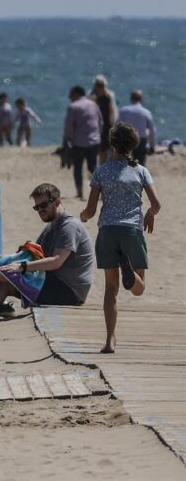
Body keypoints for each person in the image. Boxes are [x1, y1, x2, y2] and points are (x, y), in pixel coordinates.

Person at [0, 183, 95, 324]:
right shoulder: (51, 227)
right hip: (54, 282)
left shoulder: (69, 227)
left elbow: (56, 262)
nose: (41, 210)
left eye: (44, 205)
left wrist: (21, 267)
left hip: (70, 291)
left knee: (8, 281)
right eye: (37, 207)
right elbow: (34, 254)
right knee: (4, 270)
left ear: (57, 202)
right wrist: (8, 261)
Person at [79, 123, 161, 354]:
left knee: (110, 289)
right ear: (133, 145)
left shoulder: (101, 171)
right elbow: (156, 204)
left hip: (107, 232)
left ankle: (109, 341)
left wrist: (83, 216)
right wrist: (149, 214)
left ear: (112, 144)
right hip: (131, 231)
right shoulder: (141, 171)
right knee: (138, 288)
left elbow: (91, 210)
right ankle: (130, 273)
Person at [64, 85, 104, 199]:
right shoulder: (93, 104)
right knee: (93, 166)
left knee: (78, 167)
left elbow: (69, 127)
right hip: (94, 141)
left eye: (71, 94)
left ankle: (80, 192)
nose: (69, 97)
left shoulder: (73, 106)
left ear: (76, 93)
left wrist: (68, 139)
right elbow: (100, 122)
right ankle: (102, 190)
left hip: (79, 142)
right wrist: (98, 135)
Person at [116, 91, 156, 166]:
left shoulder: (123, 110)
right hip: (141, 140)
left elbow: (117, 126)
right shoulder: (146, 112)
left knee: (124, 165)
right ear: (141, 99)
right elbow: (152, 130)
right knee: (140, 165)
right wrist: (152, 146)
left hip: (126, 140)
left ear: (131, 99)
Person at [90, 76, 119, 164]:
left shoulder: (109, 95)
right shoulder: (92, 96)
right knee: (100, 151)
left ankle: (105, 167)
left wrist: (114, 125)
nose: (100, 87)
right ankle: (101, 167)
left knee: (110, 149)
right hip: (96, 126)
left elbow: (113, 111)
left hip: (108, 125)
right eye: (98, 85)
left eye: (102, 85)